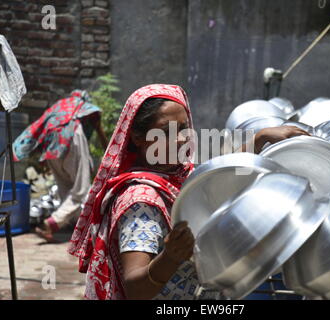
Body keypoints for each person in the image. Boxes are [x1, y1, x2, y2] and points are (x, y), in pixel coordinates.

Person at [68, 84, 309, 300]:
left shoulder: (179, 173)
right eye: (167, 132)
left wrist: (259, 139)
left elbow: (217, 178)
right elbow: (135, 289)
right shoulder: (141, 201)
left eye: (184, 128)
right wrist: (170, 257)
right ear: (139, 137)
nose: (181, 139)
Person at [13, 90, 108, 242]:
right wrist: (109, 152)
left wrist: (39, 157)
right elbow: (99, 129)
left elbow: (39, 127)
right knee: (81, 189)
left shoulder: (58, 106)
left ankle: (77, 225)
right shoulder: (84, 105)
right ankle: (53, 223)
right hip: (72, 139)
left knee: (65, 187)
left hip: (51, 146)